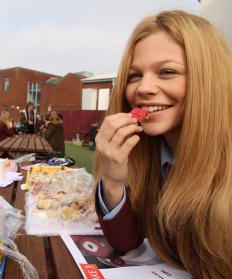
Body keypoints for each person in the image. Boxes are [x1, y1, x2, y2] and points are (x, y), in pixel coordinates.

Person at [93, 10, 232, 279]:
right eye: (134, 75)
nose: (143, 88)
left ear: (208, 80)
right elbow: (127, 244)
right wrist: (111, 179)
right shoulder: (151, 154)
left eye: (167, 72)